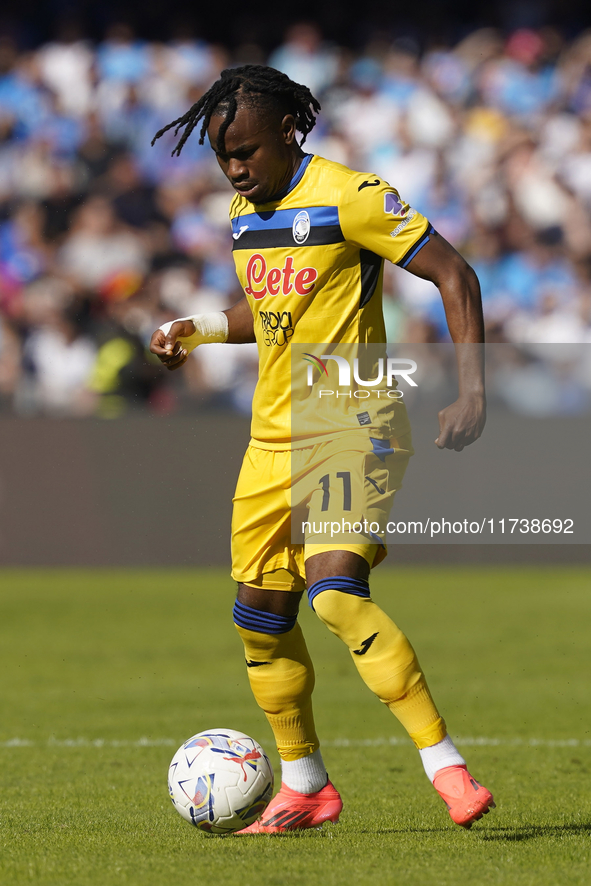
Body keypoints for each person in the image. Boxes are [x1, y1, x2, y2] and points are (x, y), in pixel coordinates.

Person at [150, 65, 494, 834]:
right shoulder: (244, 214)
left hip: (350, 417)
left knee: (335, 597)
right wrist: (196, 330)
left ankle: (447, 768)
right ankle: (304, 787)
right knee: (259, 622)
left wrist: (473, 389)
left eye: (244, 151)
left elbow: (454, 273)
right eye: (221, 157)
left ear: (286, 132)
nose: (235, 168)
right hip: (269, 438)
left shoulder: (353, 196)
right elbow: (267, 312)